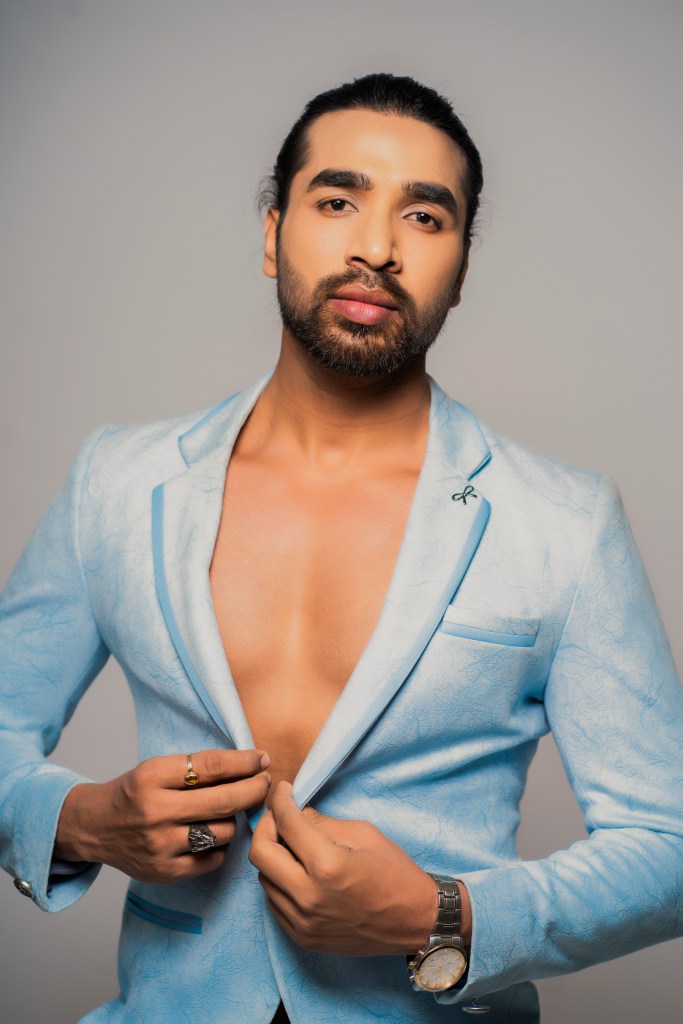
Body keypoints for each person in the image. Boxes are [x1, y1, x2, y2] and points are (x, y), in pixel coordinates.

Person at [0, 73, 681, 1024]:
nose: (376, 247)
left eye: (424, 217)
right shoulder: (117, 481)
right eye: (337, 201)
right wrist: (80, 821)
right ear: (272, 233)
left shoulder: (563, 523)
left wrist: (442, 916)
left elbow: (667, 842)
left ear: (461, 269)